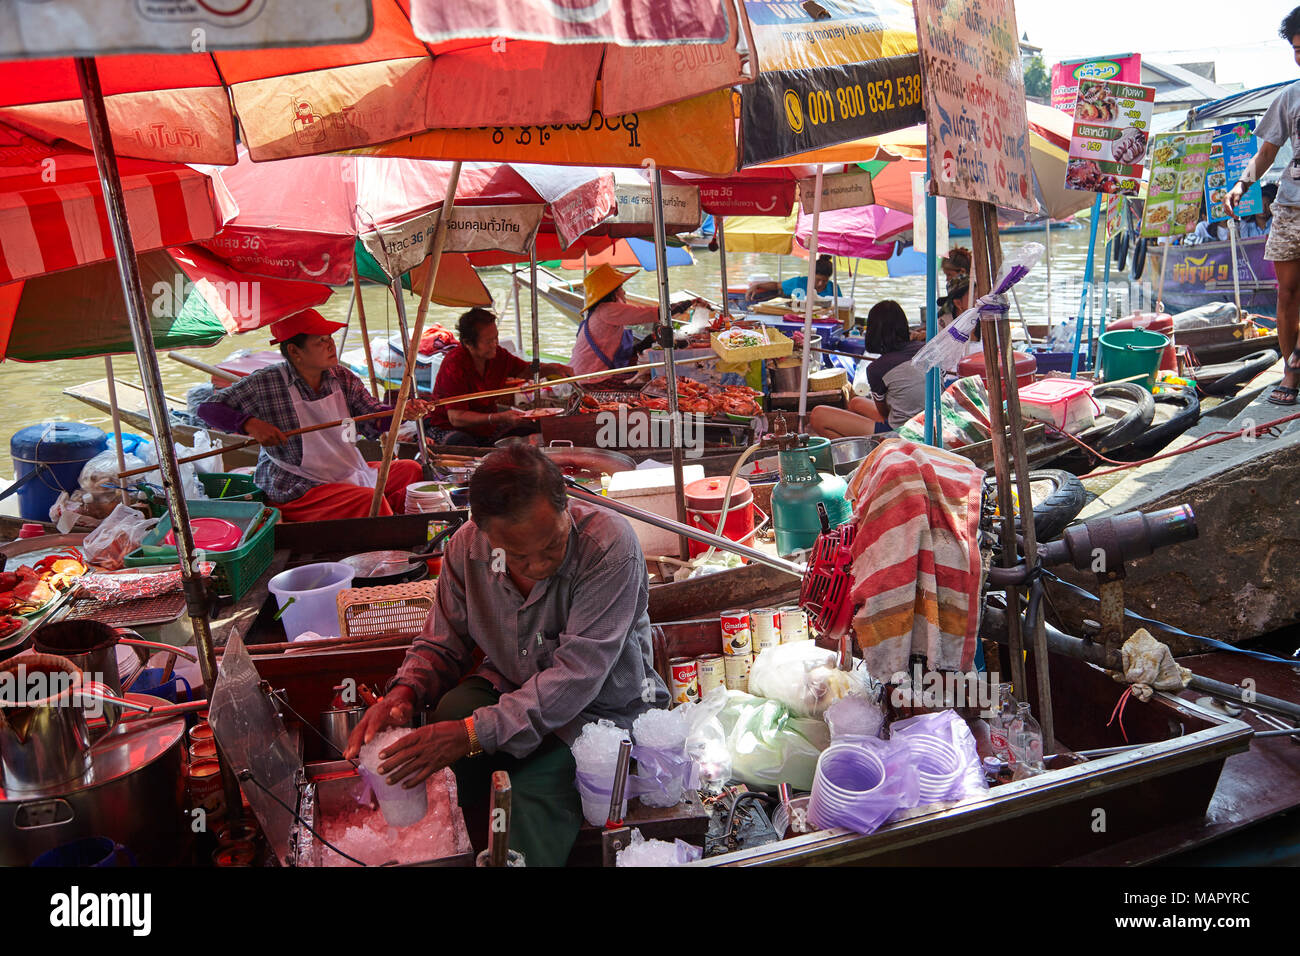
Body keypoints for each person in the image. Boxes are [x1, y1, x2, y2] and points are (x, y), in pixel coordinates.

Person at [345, 444, 670, 866]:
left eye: (552, 545)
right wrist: (405, 693)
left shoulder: (608, 545)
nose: (538, 565)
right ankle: (451, 844)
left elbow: (576, 677)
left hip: (598, 714)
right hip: (512, 688)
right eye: (517, 555)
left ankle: (518, 848)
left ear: (566, 506)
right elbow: (441, 643)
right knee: (451, 715)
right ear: (482, 530)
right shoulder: (466, 549)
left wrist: (473, 733)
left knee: (533, 788)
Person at [196, 309, 431, 521]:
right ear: (295, 351)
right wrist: (250, 424)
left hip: (343, 470)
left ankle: (395, 519)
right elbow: (208, 409)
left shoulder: (341, 377)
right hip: (298, 485)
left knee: (411, 469)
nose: (331, 345)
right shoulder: (267, 382)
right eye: (321, 341)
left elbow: (371, 419)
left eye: (330, 338)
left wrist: (401, 413)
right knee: (369, 499)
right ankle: (384, 534)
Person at [1226, 6, 1300, 404]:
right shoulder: (1290, 97)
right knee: (1287, 294)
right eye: (1296, 49)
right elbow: (1267, 151)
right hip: (1290, 206)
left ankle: (1294, 370)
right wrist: (1242, 182)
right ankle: (1291, 367)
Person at [428, 308, 571, 447]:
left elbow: (526, 370)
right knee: (462, 442)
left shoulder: (498, 355)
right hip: (449, 429)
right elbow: (457, 418)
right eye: (488, 341)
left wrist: (554, 368)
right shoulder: (454, 364)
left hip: (487, 428)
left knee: (532, 429)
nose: (495, 344)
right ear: (468, 344)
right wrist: (499, 418)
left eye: (496, 337)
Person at [811, 300, 926, 438]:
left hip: (904, 433)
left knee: (818, 415)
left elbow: (883, 413)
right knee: (855, 403)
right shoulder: (925, 350)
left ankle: (863, 451)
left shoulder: (877, 369)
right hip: (929, 425)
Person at [747, 254, 844, 302]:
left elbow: (840, 306)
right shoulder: (798, 282)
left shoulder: (833, 288)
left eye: (824, 281)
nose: (820, 284)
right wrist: (757, 285)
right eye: (818, 280)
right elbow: (777, 285)